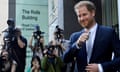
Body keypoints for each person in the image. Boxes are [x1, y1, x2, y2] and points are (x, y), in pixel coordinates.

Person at [63, 1, 120, 72]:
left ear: (93, 13)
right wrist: (77, 45)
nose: (81, 19)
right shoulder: (75, 36)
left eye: (84, 14)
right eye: (79, 16)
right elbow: (65, 59)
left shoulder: (109, 33)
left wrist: (101, 67)